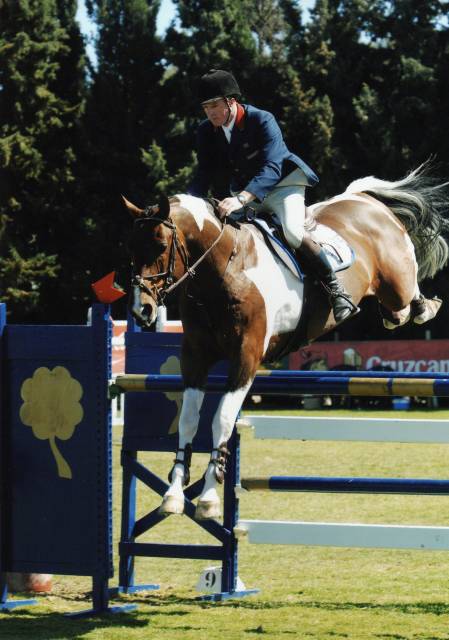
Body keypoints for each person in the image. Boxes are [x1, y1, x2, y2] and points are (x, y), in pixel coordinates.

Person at [188, 69, 357, 323]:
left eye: (214, 105)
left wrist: (242, 198)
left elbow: (272, 168)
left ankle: (336, 290)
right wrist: (187, 204)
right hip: (245, 192)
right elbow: (204, 172)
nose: (210, 112)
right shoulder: (206, 131)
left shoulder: (262, 120)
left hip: (283, 186)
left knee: (292, 231)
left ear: (231, 101)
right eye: (205, 107)